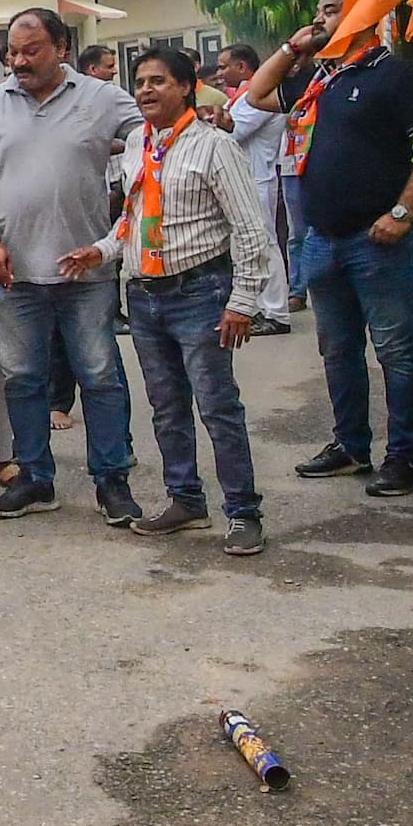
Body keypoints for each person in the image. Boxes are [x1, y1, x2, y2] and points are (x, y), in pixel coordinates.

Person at [247, 0, 413, 497]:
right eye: (316, 11)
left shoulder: (394, 74)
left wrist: (404, 212)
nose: (320, 18)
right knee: (338, 350)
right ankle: (350, 446)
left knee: (395, 350)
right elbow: (256, 94)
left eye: (331, 10)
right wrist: (294, 48)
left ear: (362, 15)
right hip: (322, 239)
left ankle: (405, 458)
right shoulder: (321, 80)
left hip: (378, 239)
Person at [86, 42, 286, 557]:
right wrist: (102, 251)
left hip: (200, 293)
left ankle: (243, 512)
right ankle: (185, 500)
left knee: (217, 406)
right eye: (141, 82)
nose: (147, 91)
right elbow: (132, 219)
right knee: (166, 406)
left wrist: (243, 301)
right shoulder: (137, 145)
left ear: (185, 88)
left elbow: (249, 228)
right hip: (145, 296)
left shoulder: (214, 146)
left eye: (158, 81)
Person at [0, 5, 143, 525]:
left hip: (88, 270)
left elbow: (157, 136)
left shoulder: (101, 98)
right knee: (23, 378)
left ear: (62, 49)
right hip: (15, 274)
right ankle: (35, 478)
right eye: (11, 52)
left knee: (99, 375)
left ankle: (112, 481)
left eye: (30, 51)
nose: (17, 61)